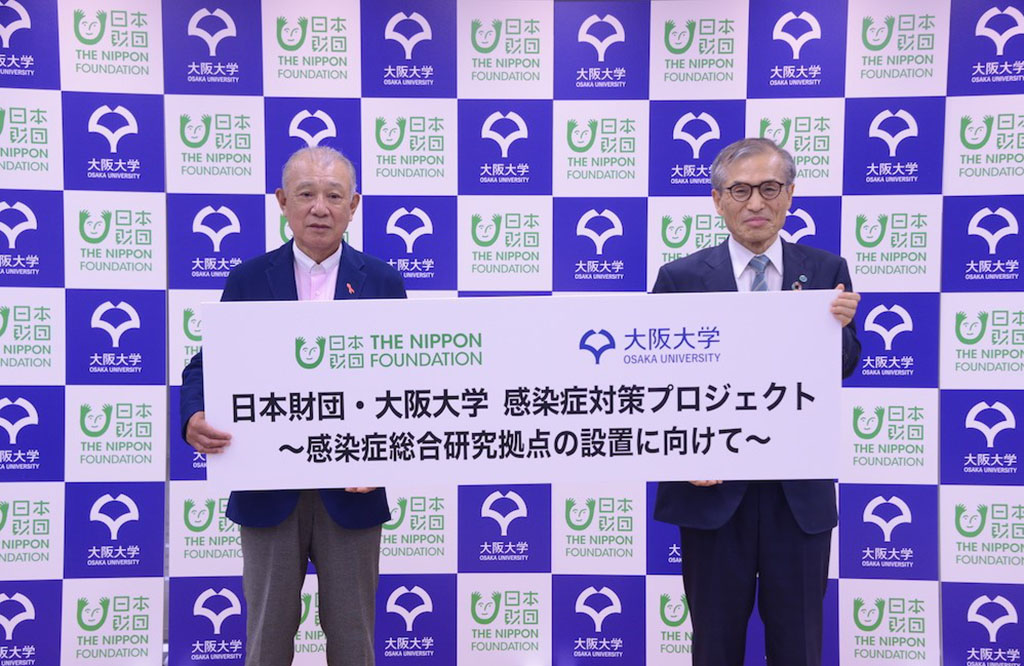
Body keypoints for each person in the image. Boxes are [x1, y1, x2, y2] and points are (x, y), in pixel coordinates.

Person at [180, 146, 406, 666]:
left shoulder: (384, 282)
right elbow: (207, 364)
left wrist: (388, 456)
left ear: (354, 205)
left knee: (354, 641)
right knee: (265, 638)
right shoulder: (248, 279)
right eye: (306, 194)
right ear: (283, 202)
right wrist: (193, 413)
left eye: (333, 195)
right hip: (268, 489)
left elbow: (405, 382)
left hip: (352, 487)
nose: (319, 207)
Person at [652, 137, 861, 666]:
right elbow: (655, 385)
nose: (756, 203)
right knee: (715, 646)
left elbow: (843, 366)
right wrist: (682, 455)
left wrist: (836, 328)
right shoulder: (680, 279)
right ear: (717, 200)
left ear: (790, 195)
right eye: (740, 190)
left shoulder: (825, 269)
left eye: (770, 188)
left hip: (798, 495)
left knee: (799, 646)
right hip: (714, 490)